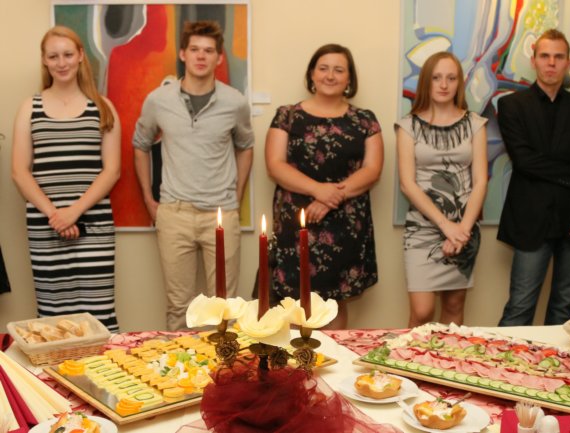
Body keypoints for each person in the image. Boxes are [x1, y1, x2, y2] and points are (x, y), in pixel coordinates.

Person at [133, 21, 254, 331]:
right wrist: (149, 199)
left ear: (219, 57)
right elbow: (141, 145)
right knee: (179, 307)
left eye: (209, 51)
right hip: (175, 213)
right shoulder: (158, 100)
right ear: (183, 54)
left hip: (221, 214)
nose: (201, 56)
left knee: (224, 307)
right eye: (195, 49)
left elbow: (245, 147)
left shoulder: (235, 102)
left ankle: (224, 363)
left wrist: (235, 197)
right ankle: (181, 363)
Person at [265, 43, 383, 329]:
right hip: (296, 222)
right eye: (324, 68)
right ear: (312, 74)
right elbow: (275, 165)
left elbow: (372, 169)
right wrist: (319, 191)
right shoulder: (287, 115)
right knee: (294, 299)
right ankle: (296, 359)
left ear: (349, 78)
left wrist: (330, 198)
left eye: (339, 70)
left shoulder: (365, 119)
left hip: (345, 223)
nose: (330, 76)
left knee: (334, 300)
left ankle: (332, 356)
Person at [12, 26, 121, 331]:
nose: (61, 63)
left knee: (99, 317)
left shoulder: (103, 108)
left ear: (81, 56)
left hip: (94, 225)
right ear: (44, 60)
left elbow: (112, 170)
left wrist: (74, 212)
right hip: (45, 226)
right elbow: (19, 171)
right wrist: (56, 215)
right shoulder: (30, 108)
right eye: (53, 56)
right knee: (53, 319)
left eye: (68, 55)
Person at [497, 29, 570, 326]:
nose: (551, 63)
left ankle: (554, 361)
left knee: (565, 309)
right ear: (534, 60)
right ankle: (504, 360)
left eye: (559, 57)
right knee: (520, 307)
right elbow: (525, 162)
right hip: (531, 220)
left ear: (568, 62)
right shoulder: (511, 106)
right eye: (545, 56)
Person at [395, 52, 488, 327]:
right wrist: (446, 226)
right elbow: (407, 184)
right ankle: (411, 356)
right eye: (437, 78)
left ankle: (447, 356)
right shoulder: (408, 126)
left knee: (454, 307)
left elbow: (480, 181)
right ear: (426, 81)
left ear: (460, 83)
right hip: (423, 228)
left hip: (464, 228)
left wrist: (462, 231)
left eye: (451, 78)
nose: (444, 84)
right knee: (422, 312)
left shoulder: (475, 124)